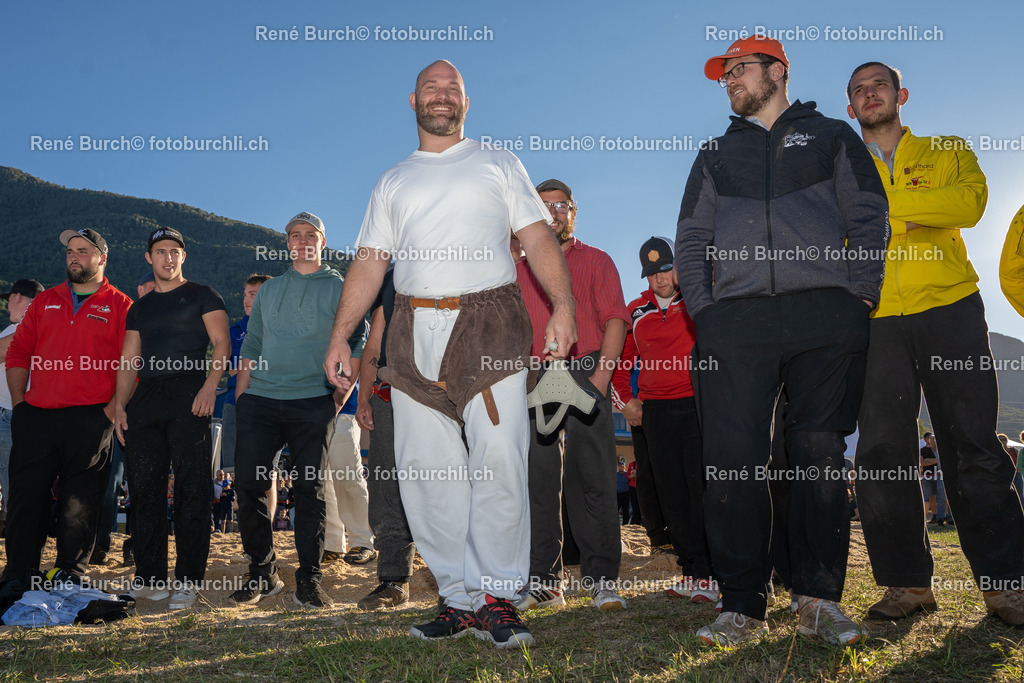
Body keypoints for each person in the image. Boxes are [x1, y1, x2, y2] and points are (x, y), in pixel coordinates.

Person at [322, 60, 576, 649]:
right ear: (412, 100)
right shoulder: (393, 180)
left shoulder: (498, 162)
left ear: (467, 101)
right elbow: (371, 260)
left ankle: (498, 597)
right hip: (412, 326)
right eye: (431, 88)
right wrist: (341, 335)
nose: (442, 96)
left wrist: (563, 306)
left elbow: (536, 235)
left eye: (452, 89)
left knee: (499, 459)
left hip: (490, 322)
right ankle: (460, 600)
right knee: (425, 471)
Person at [676, 36, 888, 646]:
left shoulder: (831, 136)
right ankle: (742, 605)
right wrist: (706, 312)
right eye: (725, 75)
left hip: (825, 315)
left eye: (738, 70)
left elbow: (868, 215)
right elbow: (690, 238)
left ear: (777, 71)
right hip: (734, 322)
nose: (730, 82)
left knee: (819, 455)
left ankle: (817, 599)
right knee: (733, 462)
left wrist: (859, 296)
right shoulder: (715, 153)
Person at [846, 61, 1024, 627]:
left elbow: (968, 206)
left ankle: (1006, 586)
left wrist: (882, 213)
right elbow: (832, 232)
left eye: (878, 84)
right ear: (850, 108)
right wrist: (915, 214)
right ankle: (907, 586)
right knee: (880, 453)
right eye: (858, 90)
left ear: (901, 94)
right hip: (873, 317)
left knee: (972, 442)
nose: (870, 94)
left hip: (950, 307)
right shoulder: (840, 165)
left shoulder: (947, 149)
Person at [230, 211, 366, 609]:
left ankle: (309, 579)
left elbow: (357, 343)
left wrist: (338, 397)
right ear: (287, 242)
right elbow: (253, 343)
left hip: (312, 398)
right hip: (261, 399)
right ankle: (262, 573)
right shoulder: (270, 290)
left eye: (311, 234)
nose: (302, 239)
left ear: (323, 242)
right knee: (249, 485)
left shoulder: (341, 288)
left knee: (310, 490)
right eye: (295, 234)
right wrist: (242, 395)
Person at [516, 178, 629, 612]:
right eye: (543, 206)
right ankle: (546, 582)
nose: (553, 213)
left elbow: (616, 319)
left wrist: (601, 378)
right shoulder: (518, 270)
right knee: (539, 480)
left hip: (586, 370)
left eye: (561, 205)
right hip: (537, 376)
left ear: (573, 213)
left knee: (593, 477)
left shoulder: (597, 260)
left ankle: (601, 580)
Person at [1, 229, 133, 582]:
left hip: (92, 416)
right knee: (26, 498)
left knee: (81, 500)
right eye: (71, 251)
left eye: (83, 251)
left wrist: (112, 409)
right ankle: (19, 573)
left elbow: (131, 363)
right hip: (37, 415)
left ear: (102, 258)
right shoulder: (46, 301)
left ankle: (69, 572)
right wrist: (20, 404)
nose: (74, 256)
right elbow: (18, 352)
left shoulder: (120, 305)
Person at [113, 227, 230, 609]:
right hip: (146, 400)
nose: (168, 257)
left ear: (183, 256)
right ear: (149, 257)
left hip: (190, 395)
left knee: (192, 489)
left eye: (174, 251)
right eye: (160, 251)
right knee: (143, 489)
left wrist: (210, 387)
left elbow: (222, 345)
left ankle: (188, 580)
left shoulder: (203, 295)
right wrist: (119, 405)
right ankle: (150, 578)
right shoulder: (139, 307)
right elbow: (129, 360)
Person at [611, 236, 715, 604]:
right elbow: (620, 363)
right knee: (671, 494)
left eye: (667, 269)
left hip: (697, 406)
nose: (660, 278)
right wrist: (626, 401)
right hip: (655, 412)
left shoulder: (700, 300)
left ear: (679, 267)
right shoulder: (636, 310)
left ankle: (711, 572)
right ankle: (691, 571)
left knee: (701, 490)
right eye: (652, 273)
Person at [354, 269, 419, 609]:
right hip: (389, 394)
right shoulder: (391, 277)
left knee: (448, 484)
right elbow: (375, 342)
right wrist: (364, 397)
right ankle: (394, 580)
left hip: (444, 393)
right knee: (386, 486)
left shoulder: (457, 260)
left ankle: (458, 581)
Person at [1, 279, 44, 519]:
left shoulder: (25, 327)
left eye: (8, 300)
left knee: (14, 480)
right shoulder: (28, 327)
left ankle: (18, 528)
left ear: (16, 297)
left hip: (12, 415)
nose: (8, 306)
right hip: (16, 413)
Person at [221, 275, 271, 470]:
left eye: (252, 294)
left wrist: (244, 369)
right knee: (232, 468)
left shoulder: (280, 331)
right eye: (245, 295)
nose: (246, 299)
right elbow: (226, 366)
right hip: (234, 404)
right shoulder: (234, 331)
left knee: (264, 469)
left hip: (269, 403)